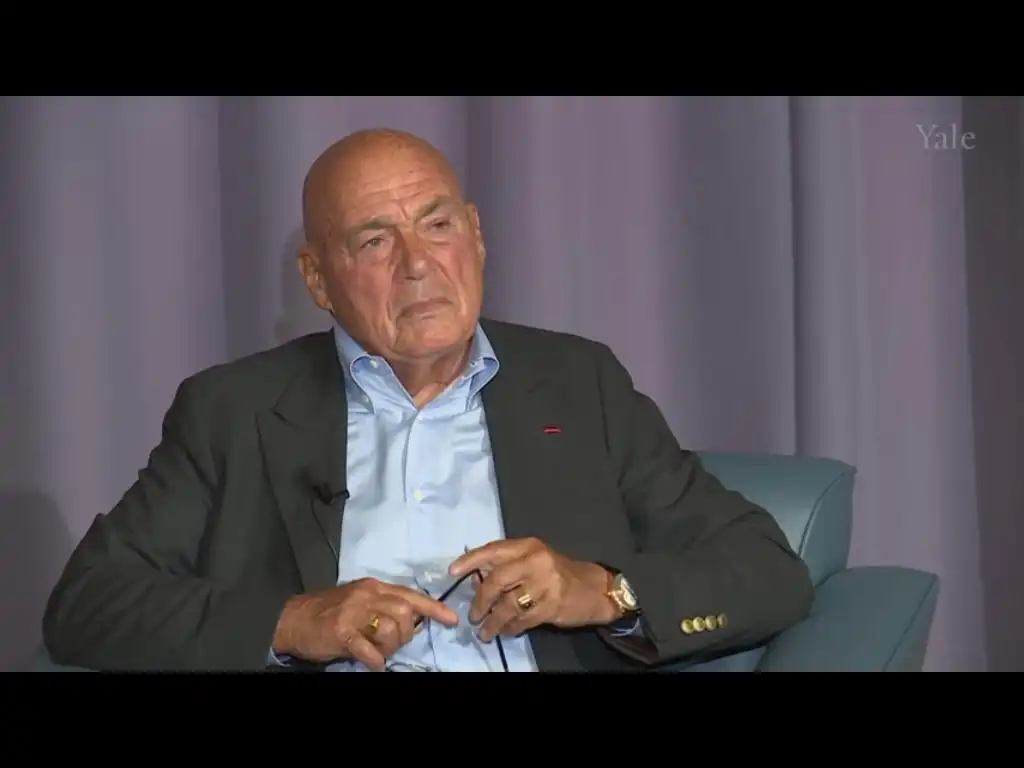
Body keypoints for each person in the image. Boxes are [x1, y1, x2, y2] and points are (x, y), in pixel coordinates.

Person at [42, 128, 813, 672]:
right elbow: (88, 604)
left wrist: (605, 590)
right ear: (317, 278)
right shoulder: (233, 411)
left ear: (475, 236)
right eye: (375, 240)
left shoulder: (580, 385)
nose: (417, 264)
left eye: (437, 225)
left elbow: (766, 570)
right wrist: (293, 621)